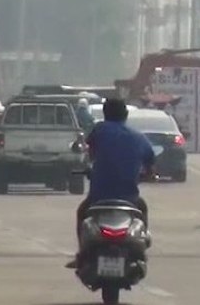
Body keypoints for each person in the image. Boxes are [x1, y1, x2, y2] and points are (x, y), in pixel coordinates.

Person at [66, 98, 155, 269]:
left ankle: (81, 254)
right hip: (129, 197)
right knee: (142, 211)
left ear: (105, 114)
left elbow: (91, 155)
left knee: (82, 213)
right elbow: (150, 166)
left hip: (99, 197)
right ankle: (141, 249)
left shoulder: (100, 130)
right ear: (126, 114)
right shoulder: (139, 138)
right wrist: (146, 175)